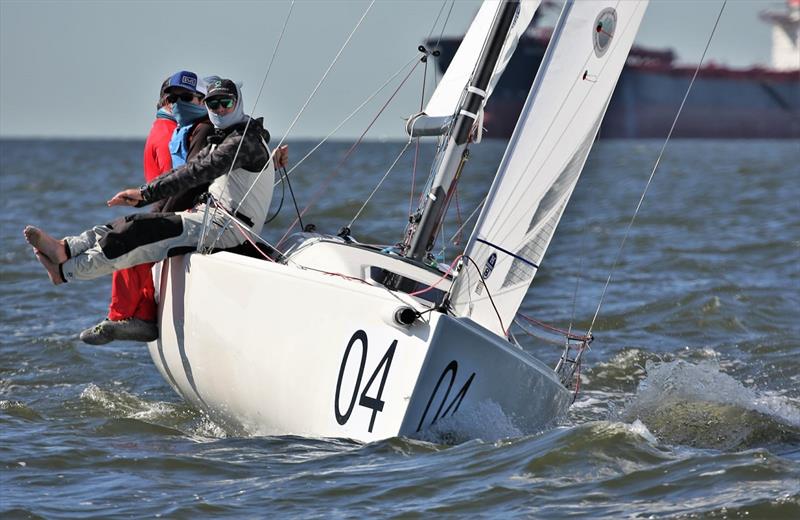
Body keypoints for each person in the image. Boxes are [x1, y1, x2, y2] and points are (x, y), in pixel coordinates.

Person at [24, 78, 280, 301]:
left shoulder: (241, 141)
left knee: (139, 233)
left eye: (227, 103)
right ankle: (66, 248)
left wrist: (145, 194)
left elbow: (197, 171)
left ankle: (66, 271)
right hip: (211, 219)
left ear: (239, 103)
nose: (220, 110)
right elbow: (192, 167)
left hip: (228, 229)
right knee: (127, 222)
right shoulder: (233, 134)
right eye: (213, 105)